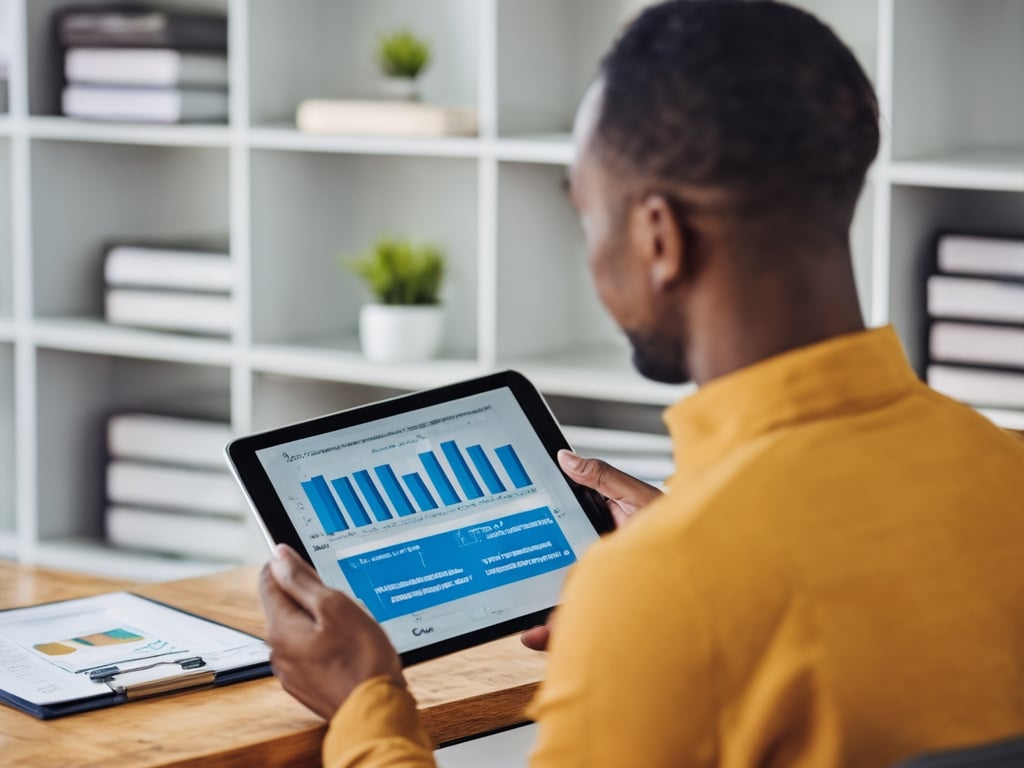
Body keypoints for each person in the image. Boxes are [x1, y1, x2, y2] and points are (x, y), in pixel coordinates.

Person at [259, 1, 1024, 766]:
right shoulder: (1008, 472)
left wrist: (365, 700)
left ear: (659, 238)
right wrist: (681, 537)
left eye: (589, 219)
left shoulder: (665, 593)